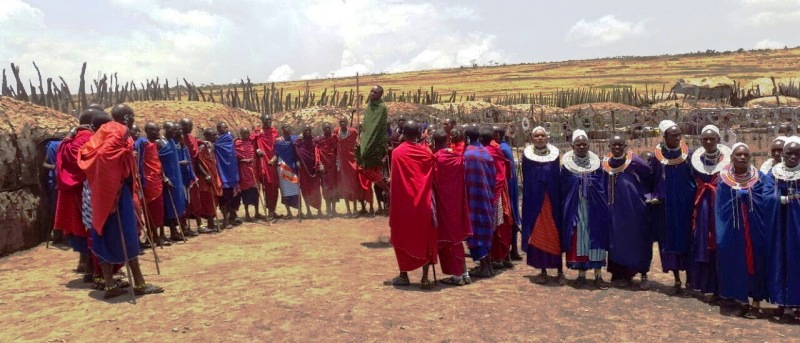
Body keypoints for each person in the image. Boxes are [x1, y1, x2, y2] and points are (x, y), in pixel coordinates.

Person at [78, 104, 163, 298]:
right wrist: (124, 159)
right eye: (131, 116)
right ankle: (140, 283)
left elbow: (89, 155)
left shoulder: (101, 132)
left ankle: (109, 284)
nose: (133, 120)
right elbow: (105, 156)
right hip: (115, 192)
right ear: (126, 118)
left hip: (98, 192)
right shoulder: (119, 130)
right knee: (128, 234)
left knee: (103, 233)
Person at [716, 143, 771, 318]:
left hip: (754, 228)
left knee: (755, 261)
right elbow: (720, 207)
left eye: (745, 155)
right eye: (738, 155)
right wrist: (735, 199)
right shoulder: (723, 179)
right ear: (731, 157)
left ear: (750, 158)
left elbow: (765, 200)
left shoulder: (759, 177)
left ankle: (755, 301)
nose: (742, 157)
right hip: (733, 230)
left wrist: (749, 198)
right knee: (734, 261)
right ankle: (738, 299)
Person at [383, 121, 437, 289]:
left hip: (403, 204)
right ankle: (425, 278)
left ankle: (403, 275)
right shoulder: (427, 153)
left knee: (402, 236)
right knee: (425, 237)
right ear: (419, 134)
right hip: (423, 203)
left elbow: (397, 181)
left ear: (403, 133)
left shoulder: (397, 153)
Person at [650, 120, 696, 294]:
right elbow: (652, 178)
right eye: (673, 135)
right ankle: (676, 279)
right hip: (666, 207)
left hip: (686, 204)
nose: (677, 138)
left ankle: (690, 279)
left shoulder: (689, 154)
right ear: (665, 137)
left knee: (688, 240)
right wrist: (654, 196)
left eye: (679, 135)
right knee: (669, 241)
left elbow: (695, 176)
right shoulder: (657, 157)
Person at [561, 130, 610, 289]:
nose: (581, 146)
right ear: (572, 146)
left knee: (596, 237)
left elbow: (602, 185)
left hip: (595, 208)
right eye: (578, 144)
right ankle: (581, 275)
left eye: (584, 144)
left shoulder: (597, 165)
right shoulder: (567, 167)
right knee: (578, 239)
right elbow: (564, 187)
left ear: (588, 145)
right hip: (576, 208)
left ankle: (598, 275)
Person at [603, 135, 653, 289]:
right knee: (616, 241)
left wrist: (645, 195)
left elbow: (649, 174)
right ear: (609, 146)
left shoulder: (635, 161)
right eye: (614, 145)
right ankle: (620, 274)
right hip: (615, 209)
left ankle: (641, 273)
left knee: (637, 239)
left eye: (620, 145)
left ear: (625, 146)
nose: (617, 147)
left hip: (634, 209)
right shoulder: (605, 164)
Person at [686, 125, 731, 298]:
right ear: (701, 141)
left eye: (712, 138)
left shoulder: (727, 160)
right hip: (703, 205)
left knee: (720, 242)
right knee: (703, 242)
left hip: (721, 204)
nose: (709, 141)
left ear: (719, 140)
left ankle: (723, 288)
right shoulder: (695, 161)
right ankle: (706, 285)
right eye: (705, 139)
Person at [53, 109, 96, 279]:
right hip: (84, 189)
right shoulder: (88, 138)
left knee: (78, 226)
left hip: (71, 188)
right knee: (89, 226)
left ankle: (83, 262)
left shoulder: (72, 138)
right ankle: (93, 268)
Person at [522, 126, 565, 285]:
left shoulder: (554, 156)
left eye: (542, 135)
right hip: (535, 202)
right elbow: (527, 179)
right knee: (537, 233)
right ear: (532, 139)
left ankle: (560, 271)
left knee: (555, 233)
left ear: (547, 138)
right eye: (536, 136)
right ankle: (543, 271)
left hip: (551, 200)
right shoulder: (527, 156)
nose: (539, 138)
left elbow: (556, 177)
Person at [432, 130, 472, 286]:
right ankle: (464, 272)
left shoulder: (436, 159)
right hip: (457, 201)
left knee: (449, 240)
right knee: (457, 239)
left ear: (434, 143)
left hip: (444, 203)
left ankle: (457, 276)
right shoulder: (457, 157)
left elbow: (432, 180)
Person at [767, 137, 800, 320]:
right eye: (789, 153)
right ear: (783, 155)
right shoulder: (775, 173)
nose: (793, 157)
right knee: (783, 260)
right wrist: (785, 200)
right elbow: (766, 196)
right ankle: (785, 304)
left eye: (797, 154)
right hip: (780, 225)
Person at [464, 124, 496, 278]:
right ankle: (487, 266)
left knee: (476, 231)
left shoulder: (468, 154)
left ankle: (484, 267)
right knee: (485, 229)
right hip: (487, 196)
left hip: (474, 198)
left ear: (467, 138)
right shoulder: (485, 151)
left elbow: (464, 177)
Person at [483, 126, 513, 269]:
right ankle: (504, 256)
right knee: (502, 222)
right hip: (501, 189)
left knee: (498, 225)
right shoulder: (496, 149)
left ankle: (499, 257)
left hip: (496, 191)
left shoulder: (489, 151)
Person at [495, 126, 522, 261]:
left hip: (507, 185)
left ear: (498, 136)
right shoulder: (505, 147)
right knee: (513, 215)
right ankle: (514, 250)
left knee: (509, 216)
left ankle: (511, 251)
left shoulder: (501, 149)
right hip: (511, 184)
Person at [358, 85, 390, 197]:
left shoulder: (381, 108)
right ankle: (388, 185)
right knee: (370, 170)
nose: (372, 93)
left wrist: (368, 144)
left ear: (381, 95)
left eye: (375, 92)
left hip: (375, 143)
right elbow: (367, 125)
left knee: (366, 170)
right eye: (371, 91)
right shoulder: (369, 106)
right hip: (366, 140)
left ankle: (387, 189)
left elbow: (376, 128)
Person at [158, 122, 187, 243]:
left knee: (178, 202)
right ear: (164, 129)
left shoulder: (173, 142)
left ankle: (176, 230)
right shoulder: (160, 143)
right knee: (169, 205)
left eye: (175, 130)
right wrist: (164, 177)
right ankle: (170, 231)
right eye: (171, 129)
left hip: (176, 177)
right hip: (168, 178)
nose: (174, 132)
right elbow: (157, 162)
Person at [137, 123, 165, 246]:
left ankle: (155, 235)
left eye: (158, 129)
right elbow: (138, 160)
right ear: (148, 130)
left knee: (158, 210)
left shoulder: (156, 144)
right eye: (155, 130)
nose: (158, 132)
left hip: (157, 180)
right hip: (147, 182)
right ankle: (151, 235)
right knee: (149, 210)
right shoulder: (142, 143)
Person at [180, 118, 207, 232]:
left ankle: (199, 224)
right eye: (187, 125)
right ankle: (184, 226)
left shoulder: (192, 139)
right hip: (181, 174)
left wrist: (205, 142)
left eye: (191, 125)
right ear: (181, 126)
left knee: (195, 198)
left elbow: (197, 142)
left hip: (193, 173)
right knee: (184, 200)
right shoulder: (178, 140)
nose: (189, 128)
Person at [172, 123, 198, 237]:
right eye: (177, 130)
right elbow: (168, 162)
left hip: (186, 177)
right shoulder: (171, 145)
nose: (180, 133)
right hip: (176, 178)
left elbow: (189, 161)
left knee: (186, 202)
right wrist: (180, 163)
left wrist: (193, 176)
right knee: (179, 203)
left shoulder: (183, 146)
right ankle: (178, 229)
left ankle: (185, 227)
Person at [253, 115, 280, 220]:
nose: (268, 122)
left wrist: (274, 158)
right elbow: (251, 144)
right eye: (266, 120)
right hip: (262, 162)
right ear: (262, 121)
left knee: (274, 187)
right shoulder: (258, 133)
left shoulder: (274, 132)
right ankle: (270, 211)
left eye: (270, 120)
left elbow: (278, 148)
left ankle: (273, 209)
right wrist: (257, 150)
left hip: (272, 163)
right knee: (266, 187)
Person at [214, 122, 240, 229]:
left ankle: (232, 216)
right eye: (222, 127)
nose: (225, 129)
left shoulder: (230, 138)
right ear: (218, 129)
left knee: (233, 195)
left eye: (226, 127)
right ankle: (225, 219)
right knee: (224, 197)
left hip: (232, 171)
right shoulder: (216, 141)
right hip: (222, 171)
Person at [196, 128, 223, 231]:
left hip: (214, 174)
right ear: (206, 136)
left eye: (216, 134)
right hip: (205, 177)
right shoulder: (202, 147)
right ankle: (210, 223)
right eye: (213, 135)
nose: (215, 137)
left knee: (214, 199)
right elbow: (198, 162)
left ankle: (212, 222)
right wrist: (206, 174)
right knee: (208, 199)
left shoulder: (212, 146)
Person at [235, 127, 263, 222]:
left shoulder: (252, 142)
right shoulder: (237, 143)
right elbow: (236, 158)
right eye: (244, 133)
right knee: (246, 193)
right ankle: (247, 214)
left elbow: (258, 133)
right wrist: (245, 160)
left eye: (247, 133)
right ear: (241, 133)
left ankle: (257, 212)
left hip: (253, 170)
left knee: (256, 192)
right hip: (244, 171)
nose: (246, 135)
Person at [294, 125, 323, 217]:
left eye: (309, 130)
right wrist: (297, 161)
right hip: (304, 169)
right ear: (303, 131)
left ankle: (319, 210)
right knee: (305, 190)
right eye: (306, 130)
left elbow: (319, 151)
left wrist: (320, 164)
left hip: (314, 168)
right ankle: (308, 211)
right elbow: (295, 150)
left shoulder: (315, 140)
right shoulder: (299, 142)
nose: (308, 132)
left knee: (316, 190)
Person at [274, 125, 301, 219]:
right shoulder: (278, 141)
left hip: (292, 166)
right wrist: (272, 160)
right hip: (282, 167)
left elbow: (302, 139)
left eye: (289, 127)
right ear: (282, 129)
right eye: (286, 127)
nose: (288, 129)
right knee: (285, 191)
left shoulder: (295, 138)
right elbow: (275, 154)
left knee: (296, 189)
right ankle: (289, 212)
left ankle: (300, 211)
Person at [335, 117, 360, 216]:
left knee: (353, 186)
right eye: (340, 122)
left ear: (347, 123)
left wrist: (357, 142)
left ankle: (355, 209)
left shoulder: (353, 131)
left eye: (344, 122)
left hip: (352, 161)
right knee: (344, 186)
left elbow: (358, 139)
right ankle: (348, 210)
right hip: (342, 163)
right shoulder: (337, 131)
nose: (342, 123)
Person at [316, 122, 339, 216]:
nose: (327, 129)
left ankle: (334, 209)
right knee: (326, 189)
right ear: (323, 129)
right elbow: (317, 152)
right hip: (324, 168)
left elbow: (338, 150)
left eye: (328, 128)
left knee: (334, 188)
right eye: (325, 128)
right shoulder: (319, 139)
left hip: (333, 167)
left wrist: (338, 162)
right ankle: (328, 209)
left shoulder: (334, 138)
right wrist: (320, 164)